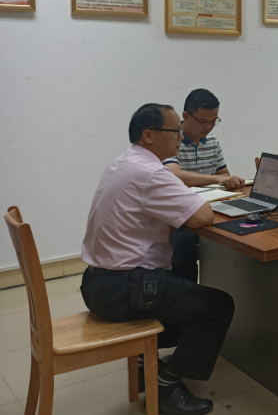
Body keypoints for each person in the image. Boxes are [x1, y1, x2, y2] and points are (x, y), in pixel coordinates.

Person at [81, 103, 235, 415]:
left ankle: (144, 365)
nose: (181, 137)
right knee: (217, 306)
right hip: (124, 288)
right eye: (175, 131)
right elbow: (202, 216)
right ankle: (167, 384)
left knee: (182, 281)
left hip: (97, 282)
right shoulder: (151, 173)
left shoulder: (123, 163)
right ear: (149, 136)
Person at [164, 88, 243, 281]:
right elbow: (175, 175)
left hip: (210, 209)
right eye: (203, 121)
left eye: (214, 121)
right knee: (183, 242)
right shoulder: (170, 139)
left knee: (240, 229)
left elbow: (223, 174)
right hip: (182, 215)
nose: (209, 127)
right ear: (185, 116)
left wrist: (229, 181)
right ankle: (186, 290)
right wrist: (216, 179)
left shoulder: (212, 141)